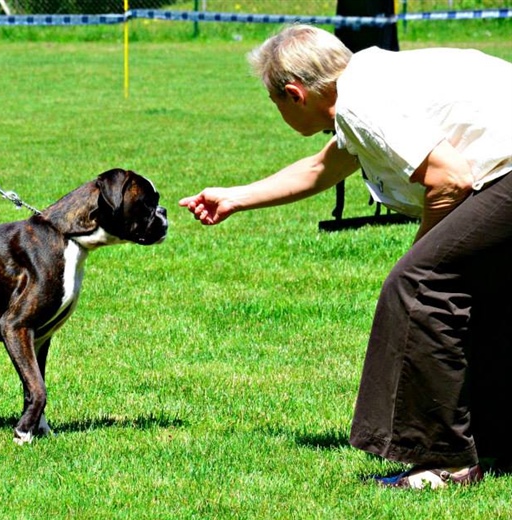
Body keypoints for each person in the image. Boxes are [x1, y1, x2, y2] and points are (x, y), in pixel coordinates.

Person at [180, 24, 512, 489]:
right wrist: (235, 197)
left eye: (274, 102)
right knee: (472, 290)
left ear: (294, 94)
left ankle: (444, 460)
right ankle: (493, 443)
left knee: (418, 285)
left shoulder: (362, 102)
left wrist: (420, 258)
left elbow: (449, 178)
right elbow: (323, 166)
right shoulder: (365, 80)